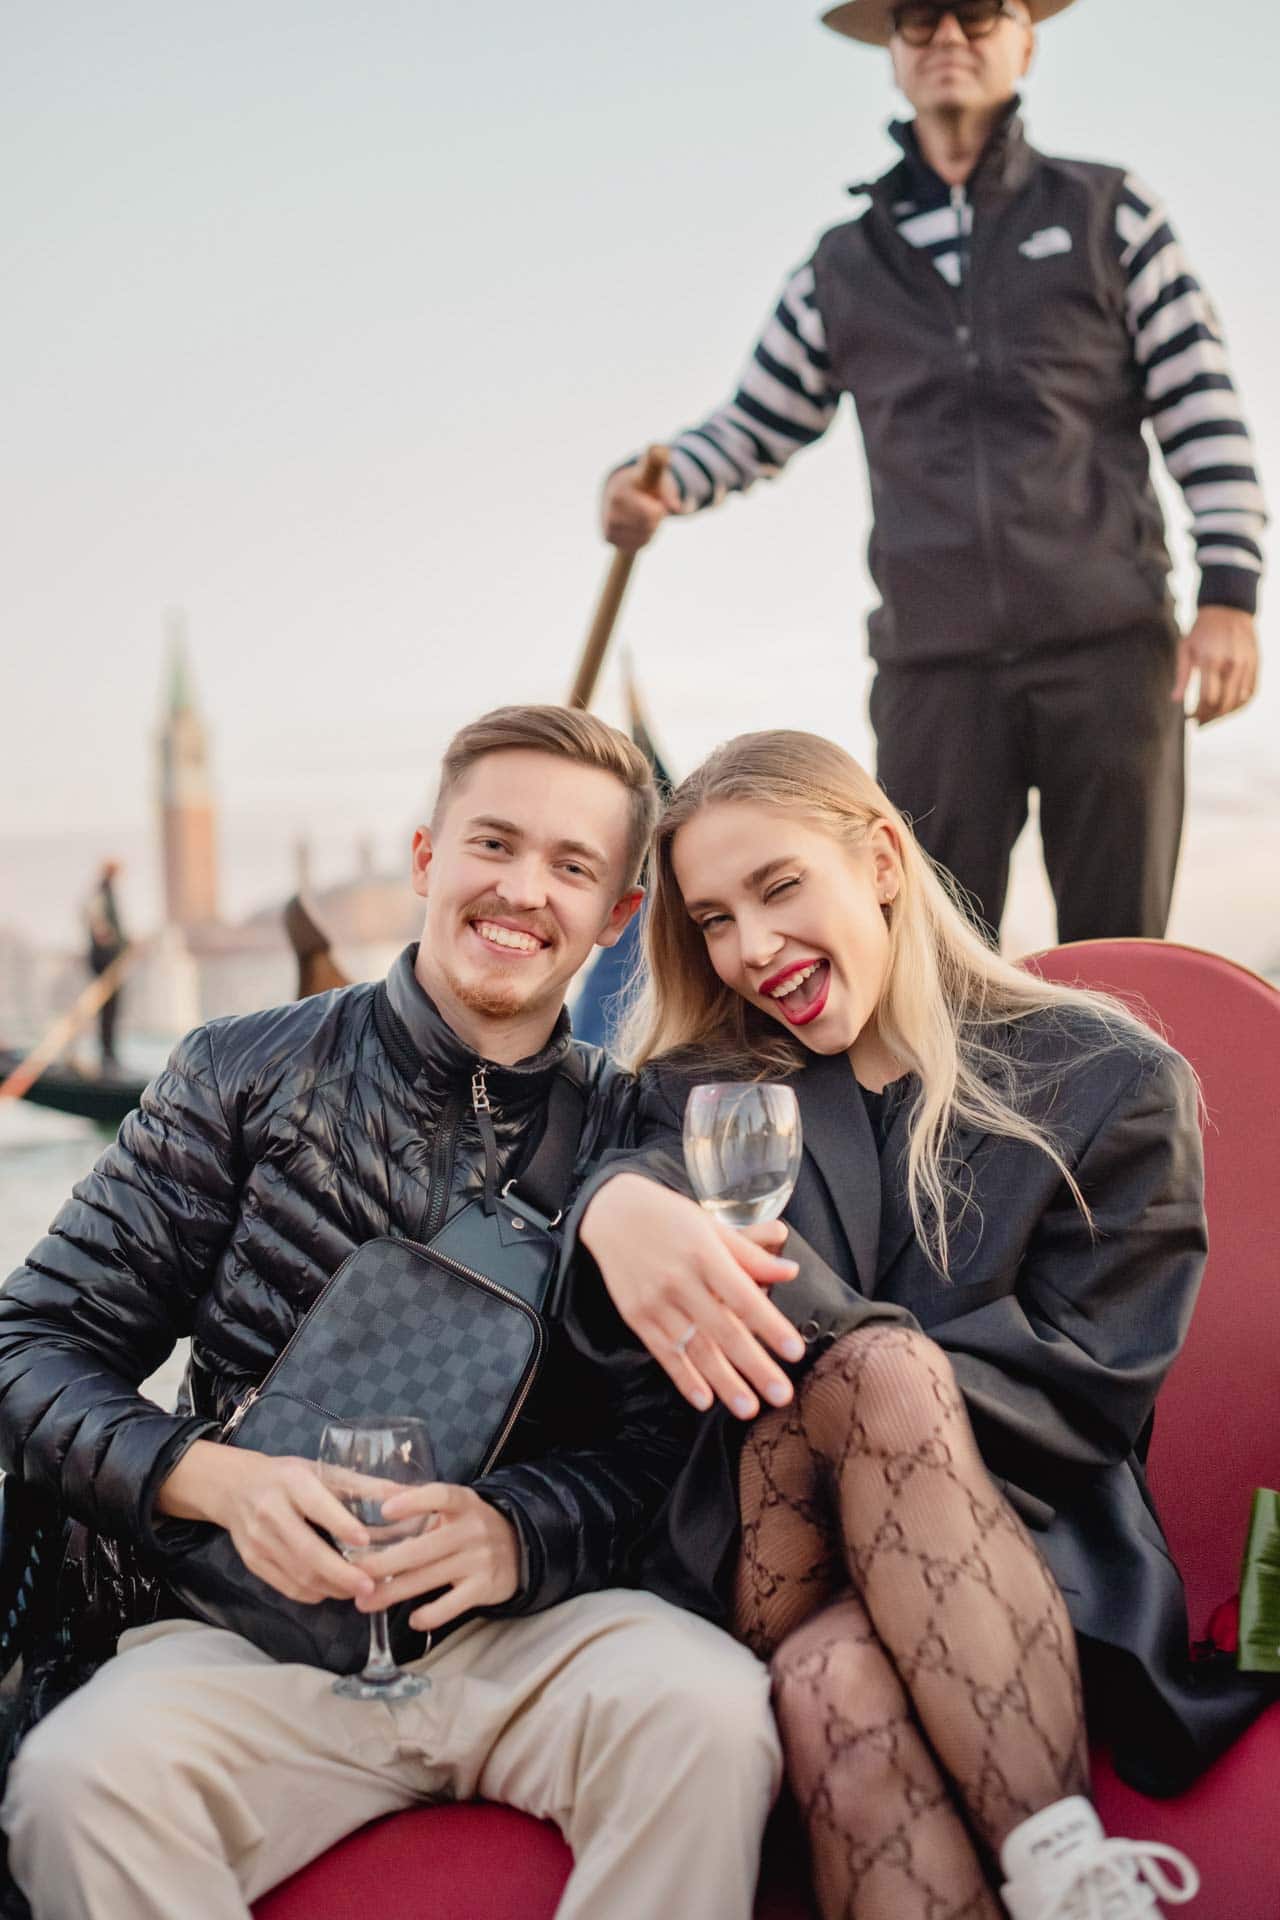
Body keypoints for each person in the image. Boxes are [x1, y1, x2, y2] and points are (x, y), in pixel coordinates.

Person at [0, 706, 781, 1920]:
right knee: (74, 1786)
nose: (523, 891)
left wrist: (513, 1532)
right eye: (493, 845)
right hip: (245, 1639)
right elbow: (28, 1349)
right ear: (427, 858)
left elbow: (661, 1448)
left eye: (573, 866)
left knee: (712, 1718)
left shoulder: (642, 1134)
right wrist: (211, 1480)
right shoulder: (237, 1070)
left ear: (617, 917)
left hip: (531, 1635)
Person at [572, 729, 1273, 1919]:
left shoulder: (1106, 1078)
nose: (750, 949)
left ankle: (1060, 1876)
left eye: (778, 887)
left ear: (882, 860)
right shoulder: (704, 1096)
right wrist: (611, 1206)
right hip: (762, 1555)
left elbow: (1086, 1391)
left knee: (839, 1678)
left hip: (1032, 1557)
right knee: (873, 1368)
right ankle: (1071, 1874)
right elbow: (612, 1293)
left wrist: (842, 1342)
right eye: (713, 920)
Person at [601, 0, 1266, 942]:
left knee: (1125, 957)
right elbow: (756, 422)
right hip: (933, 668)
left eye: (978, 12)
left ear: (1023, 41)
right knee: (934, 959)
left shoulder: (1110, 213)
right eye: (919, 19)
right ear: (893, 56)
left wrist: (1230, 592)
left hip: (1111, 651)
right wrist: (655, 480)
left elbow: (1203, 405)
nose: (948, 35)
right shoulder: (842, 265)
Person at [82, 858, 127, 1070]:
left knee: (110, 1008)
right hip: (105, 958)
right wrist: (106, 937)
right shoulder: (102, 893)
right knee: (108, 1007)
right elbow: (95, 917)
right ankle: (107, 1055)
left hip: (110, 957)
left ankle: (109, 1055)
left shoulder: (105, 893)